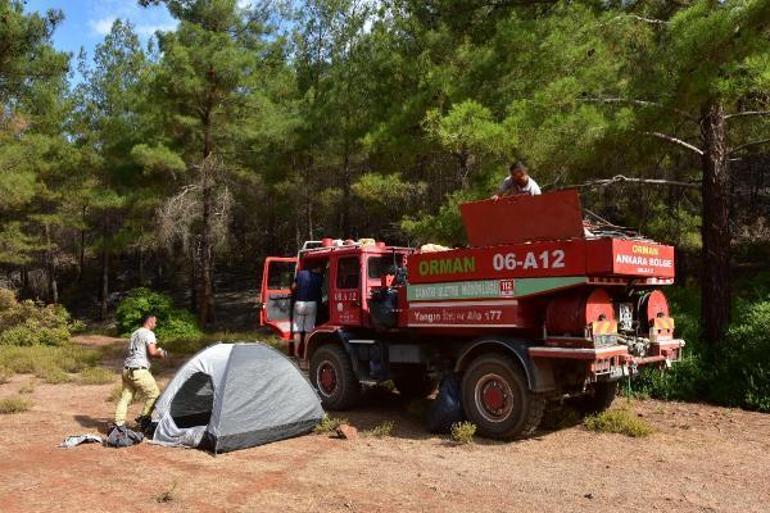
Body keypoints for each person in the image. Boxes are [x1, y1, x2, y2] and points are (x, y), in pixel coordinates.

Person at [114, 314, 167, 430]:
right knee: (154, 395)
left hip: (127, 370)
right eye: (155, 322)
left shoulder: (135, 333)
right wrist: (161, 353)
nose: (156, 324)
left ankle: (118, 424)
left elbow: (142, 353)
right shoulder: (149, 334)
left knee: (125, 398)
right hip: (139, 371)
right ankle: (143, 419)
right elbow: (152, 352)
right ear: (150, 321)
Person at [291, 262, 324, 356]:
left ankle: (296, 353)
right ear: (317, 268)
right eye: (320, 268)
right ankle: (305, 354)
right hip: (312, 304)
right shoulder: (319, 278)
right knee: (308, 331)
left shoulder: (301, 273)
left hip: (299, 303)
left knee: (297, 330)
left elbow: (293, 287)